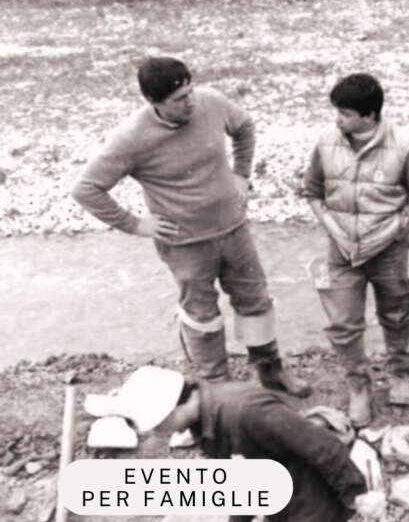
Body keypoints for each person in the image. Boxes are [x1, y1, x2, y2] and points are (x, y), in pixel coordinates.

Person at [70, 56, 310, 398]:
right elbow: (86, 189)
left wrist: (242, 174)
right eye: (179, 99)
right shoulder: (130, 138)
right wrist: (135, 224)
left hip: (233, 229)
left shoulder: (212, 103)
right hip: (184, 245)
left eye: (191, 91)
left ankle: (271, 371)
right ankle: (217, 388)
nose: (191, 102)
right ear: (153, 102)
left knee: (256, 300)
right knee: (201, 315)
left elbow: (244, 127)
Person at [300, 73, 409, 428]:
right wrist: (328, 223)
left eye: (345, 114)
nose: (337, 120)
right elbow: (312, 190)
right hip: (341, 251)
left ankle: (399, 374)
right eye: (336, 111)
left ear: (370, 115)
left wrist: (400, 231)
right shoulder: (325, 142)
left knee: (396, 314)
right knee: (343, 324)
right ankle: (358, 387)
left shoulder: (404, 148)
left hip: (389, 252)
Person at [149, 378, 385, 522]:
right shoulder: (204, 423)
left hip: (312, 511)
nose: (160, 432)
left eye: (159, 425)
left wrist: (357, 494)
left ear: (172, 410)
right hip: (279, 510)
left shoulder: (248, 411)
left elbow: (322, 445)